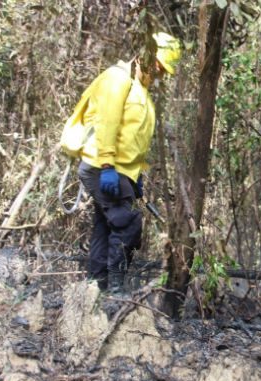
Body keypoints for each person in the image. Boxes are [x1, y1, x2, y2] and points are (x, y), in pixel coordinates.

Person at [77, 32, 182, 293]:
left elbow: (133, 137)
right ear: (147, 55)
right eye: (159, 66)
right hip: (102, 167)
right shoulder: (118, 78)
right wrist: (107, 166)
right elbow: (107, 122)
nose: (159, 74)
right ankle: (115, 292)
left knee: (104, 227)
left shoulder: (140, 90)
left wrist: (136, 177)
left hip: (119, 170)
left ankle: (94, 290)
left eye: (162, 70)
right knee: (127, 224)